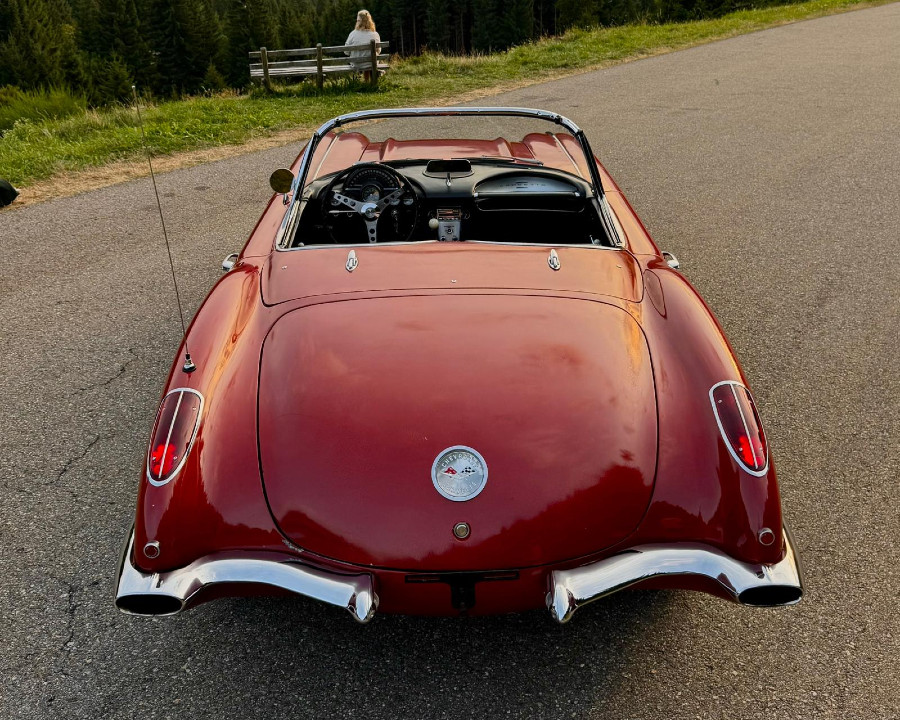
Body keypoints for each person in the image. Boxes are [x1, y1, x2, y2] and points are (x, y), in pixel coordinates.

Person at [345, 9, 381, 81]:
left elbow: (346, 52)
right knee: (371, 62)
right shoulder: (375, 34)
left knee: (366, 62)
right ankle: (372, 82)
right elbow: (378, 51)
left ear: (358, 22)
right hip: (372, 63)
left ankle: (366, 82)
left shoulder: (353, 34)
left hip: (357, 64)